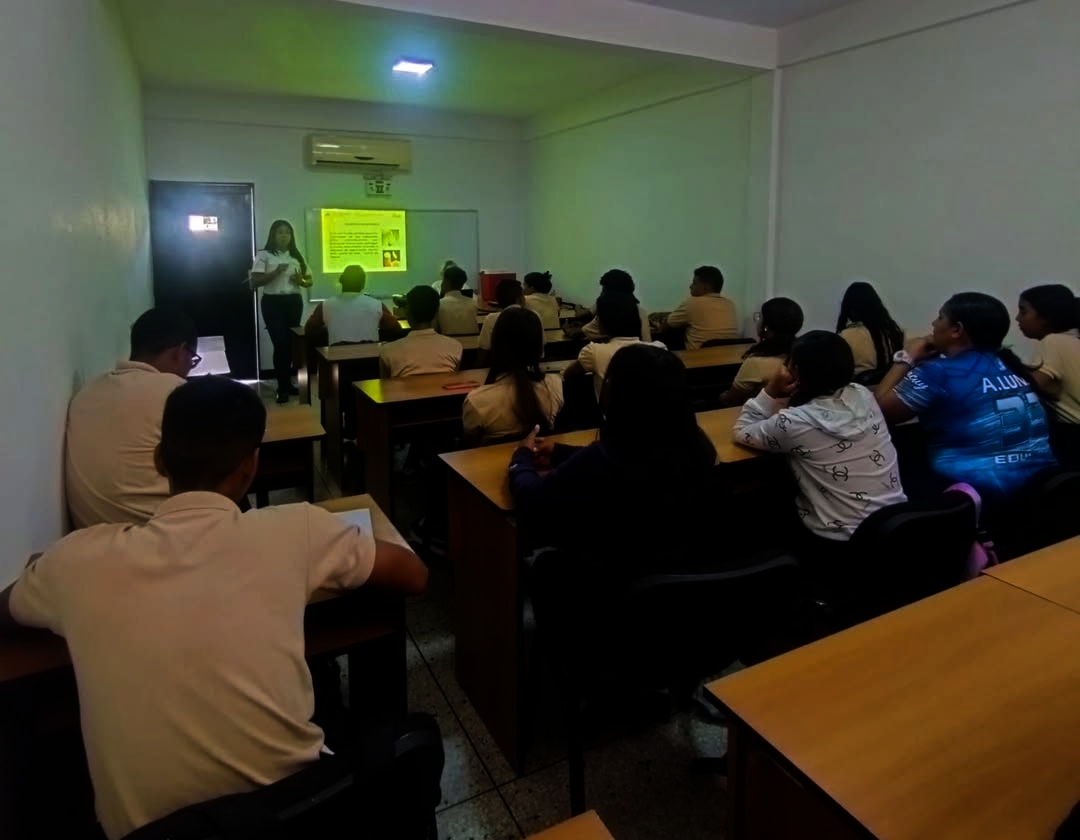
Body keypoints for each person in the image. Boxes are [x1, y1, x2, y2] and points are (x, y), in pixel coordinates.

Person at [0, 376, 430, 839]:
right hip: (307, 810)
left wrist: (54, 574)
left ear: (158, 460)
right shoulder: (295, 529)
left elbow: (8, 608)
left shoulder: (76, 563)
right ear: (252, 466)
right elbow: (413, 575)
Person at [509, 344, 716, 575]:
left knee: (548, 564)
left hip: (620, 589)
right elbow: (632, 458)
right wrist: (561, 453)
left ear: (619, 396)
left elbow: (530, 499)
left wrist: (522, 457)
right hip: (681, 575)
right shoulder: (697, 448)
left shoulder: (601, 462)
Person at [874, 292, 1056, 505]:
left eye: (940, 317)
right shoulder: (1010, 365)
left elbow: (878, 412)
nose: (933, 323)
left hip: (976, 495)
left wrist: (906, 357)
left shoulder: (938, 372)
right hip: (1041, 488)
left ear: (956, 330)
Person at [733, 331, 907, 545]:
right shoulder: (863, 395)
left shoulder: (794, 423)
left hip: (840, 540)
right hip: (895, 526)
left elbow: (742, 430)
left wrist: (770, 390)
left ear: (795, 370)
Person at [65, 308, 200, 529]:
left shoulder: (86, 394)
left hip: (95, 538)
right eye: (192, 360)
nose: (189, 370)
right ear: (180, 352)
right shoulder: (175, 392)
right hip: (166, 538)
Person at [464, 308, 564, 445]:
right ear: (538, 343)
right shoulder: (555, 384)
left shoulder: (477, 400)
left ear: (496, 343)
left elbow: (470, 445)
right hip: (539, 460)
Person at [1016, 284, 1080, 465]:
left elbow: (1035, 387)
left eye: (1024, 311)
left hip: (1071, 439)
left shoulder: (1054, 341)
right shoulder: (1073, 340)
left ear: (1045, 317)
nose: (1017, 318)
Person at [249, 220, 312, 404]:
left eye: (287, 233)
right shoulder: (264, 255)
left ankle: (289, 384)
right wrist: (275, 273)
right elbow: (254, 282)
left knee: (292, 344)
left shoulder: (297, 256)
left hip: (293, 301)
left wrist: (301, 280)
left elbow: (309, 282)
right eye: (280, 232)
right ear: (273, 235)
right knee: (281, 343)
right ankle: (282, 387)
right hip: (272, 303)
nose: (284, 236)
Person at [568, 292, 667, 400]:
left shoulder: (593, 352)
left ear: (602, 324)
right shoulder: (660, 349)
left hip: (614, 416)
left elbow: (566, 376)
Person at [719, 298, 804, 406]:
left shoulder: (756, 361)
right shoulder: (803, 356)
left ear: (766, 327)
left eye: (760, 317)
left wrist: (721, 397)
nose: (758, 321)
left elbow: (731, 400)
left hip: (757, 417)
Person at [305, 264, 398, 345]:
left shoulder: (325, 305)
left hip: (338, 356)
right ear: (363, 284)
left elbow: (309, 329)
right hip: (370, 356)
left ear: (342, 281)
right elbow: (395, 328)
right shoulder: (377, 304)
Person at [381, 286, 463, 377]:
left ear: (407, 311)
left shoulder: (388, 351)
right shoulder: (456, 347)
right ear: (437, 312)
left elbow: (385, 387)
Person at [835, 281, 905, 381]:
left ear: (849, 307)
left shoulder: (845, 336)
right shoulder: (895, 332)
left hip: (857, 392)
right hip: (887, 387)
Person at [662, 265, 739, 350]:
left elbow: (668, 325)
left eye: (694, 283)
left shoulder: (692, 303)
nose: (690, 286)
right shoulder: (730, 304)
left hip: (700, 359)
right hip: (729, 359)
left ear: (706, 287)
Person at [581, 269, 651, 343]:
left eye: (604, 289)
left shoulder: (606, 306)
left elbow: (585, 330)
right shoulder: (640, 310)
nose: (602, 293)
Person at [477, 277, 526, 354]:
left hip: (501, 363)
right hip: (529, 364)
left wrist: (478, 365)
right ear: (519, 298)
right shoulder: (535, 316)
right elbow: (541, 348)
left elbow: (484, 347)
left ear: (497, 299)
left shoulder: (491, 318)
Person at [433, 264, 478, 336]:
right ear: (462, 285)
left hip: (450, 344)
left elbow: (434, 330)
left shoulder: (439, 305)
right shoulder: (473, 303)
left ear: (446, 282)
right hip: (473, 343)